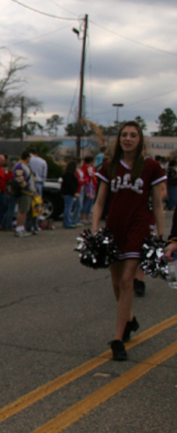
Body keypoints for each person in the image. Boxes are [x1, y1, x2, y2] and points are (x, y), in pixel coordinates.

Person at [92, 121, 166, 361]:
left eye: (133, 135)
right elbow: (100, 202)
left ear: (140, 139)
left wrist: (160, 234)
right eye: (124, 134)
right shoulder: (109, 167)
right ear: (119, 140)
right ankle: (130, 320)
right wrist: (95, 230)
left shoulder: (151, 167)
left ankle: (118, 337)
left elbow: (158, 204)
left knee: (126, 280)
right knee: (116, 282)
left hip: (138, 228)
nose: (128, 138)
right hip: (114, 229)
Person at [13, 151, 36, 237]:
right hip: (24, 192)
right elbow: (19, 178)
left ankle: (21, 228)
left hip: (28, 192)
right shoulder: (20, 165)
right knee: (22, 211)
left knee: (24, 211)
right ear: (27, 158)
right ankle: (18, 229)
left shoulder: (24, 165)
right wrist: (27, 186)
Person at [28, 148, 47, 233]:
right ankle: (37, 224)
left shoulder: (28, 161)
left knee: (29, 204)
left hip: (30, 183)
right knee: (37, 204)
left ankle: (29, 225)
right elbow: (44, 174)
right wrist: (43, 182)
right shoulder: (42, 161)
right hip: (39, 183)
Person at [60, 160, 79, 229]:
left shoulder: (65, 175)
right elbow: (71, 186)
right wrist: (74, 193)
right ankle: (67, 223)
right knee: (68, 209)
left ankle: (66, 222)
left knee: (67, 208)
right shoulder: (71, 176)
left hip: (66, 193)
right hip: (69, 193)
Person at [78, 155, 97, 225]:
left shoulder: (84, 168)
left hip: (88, 186)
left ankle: (85, 217)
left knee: (87, 203)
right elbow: (91, 176)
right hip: (90, 187)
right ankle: (84, 217)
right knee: (87, 203)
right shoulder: (89, 168)